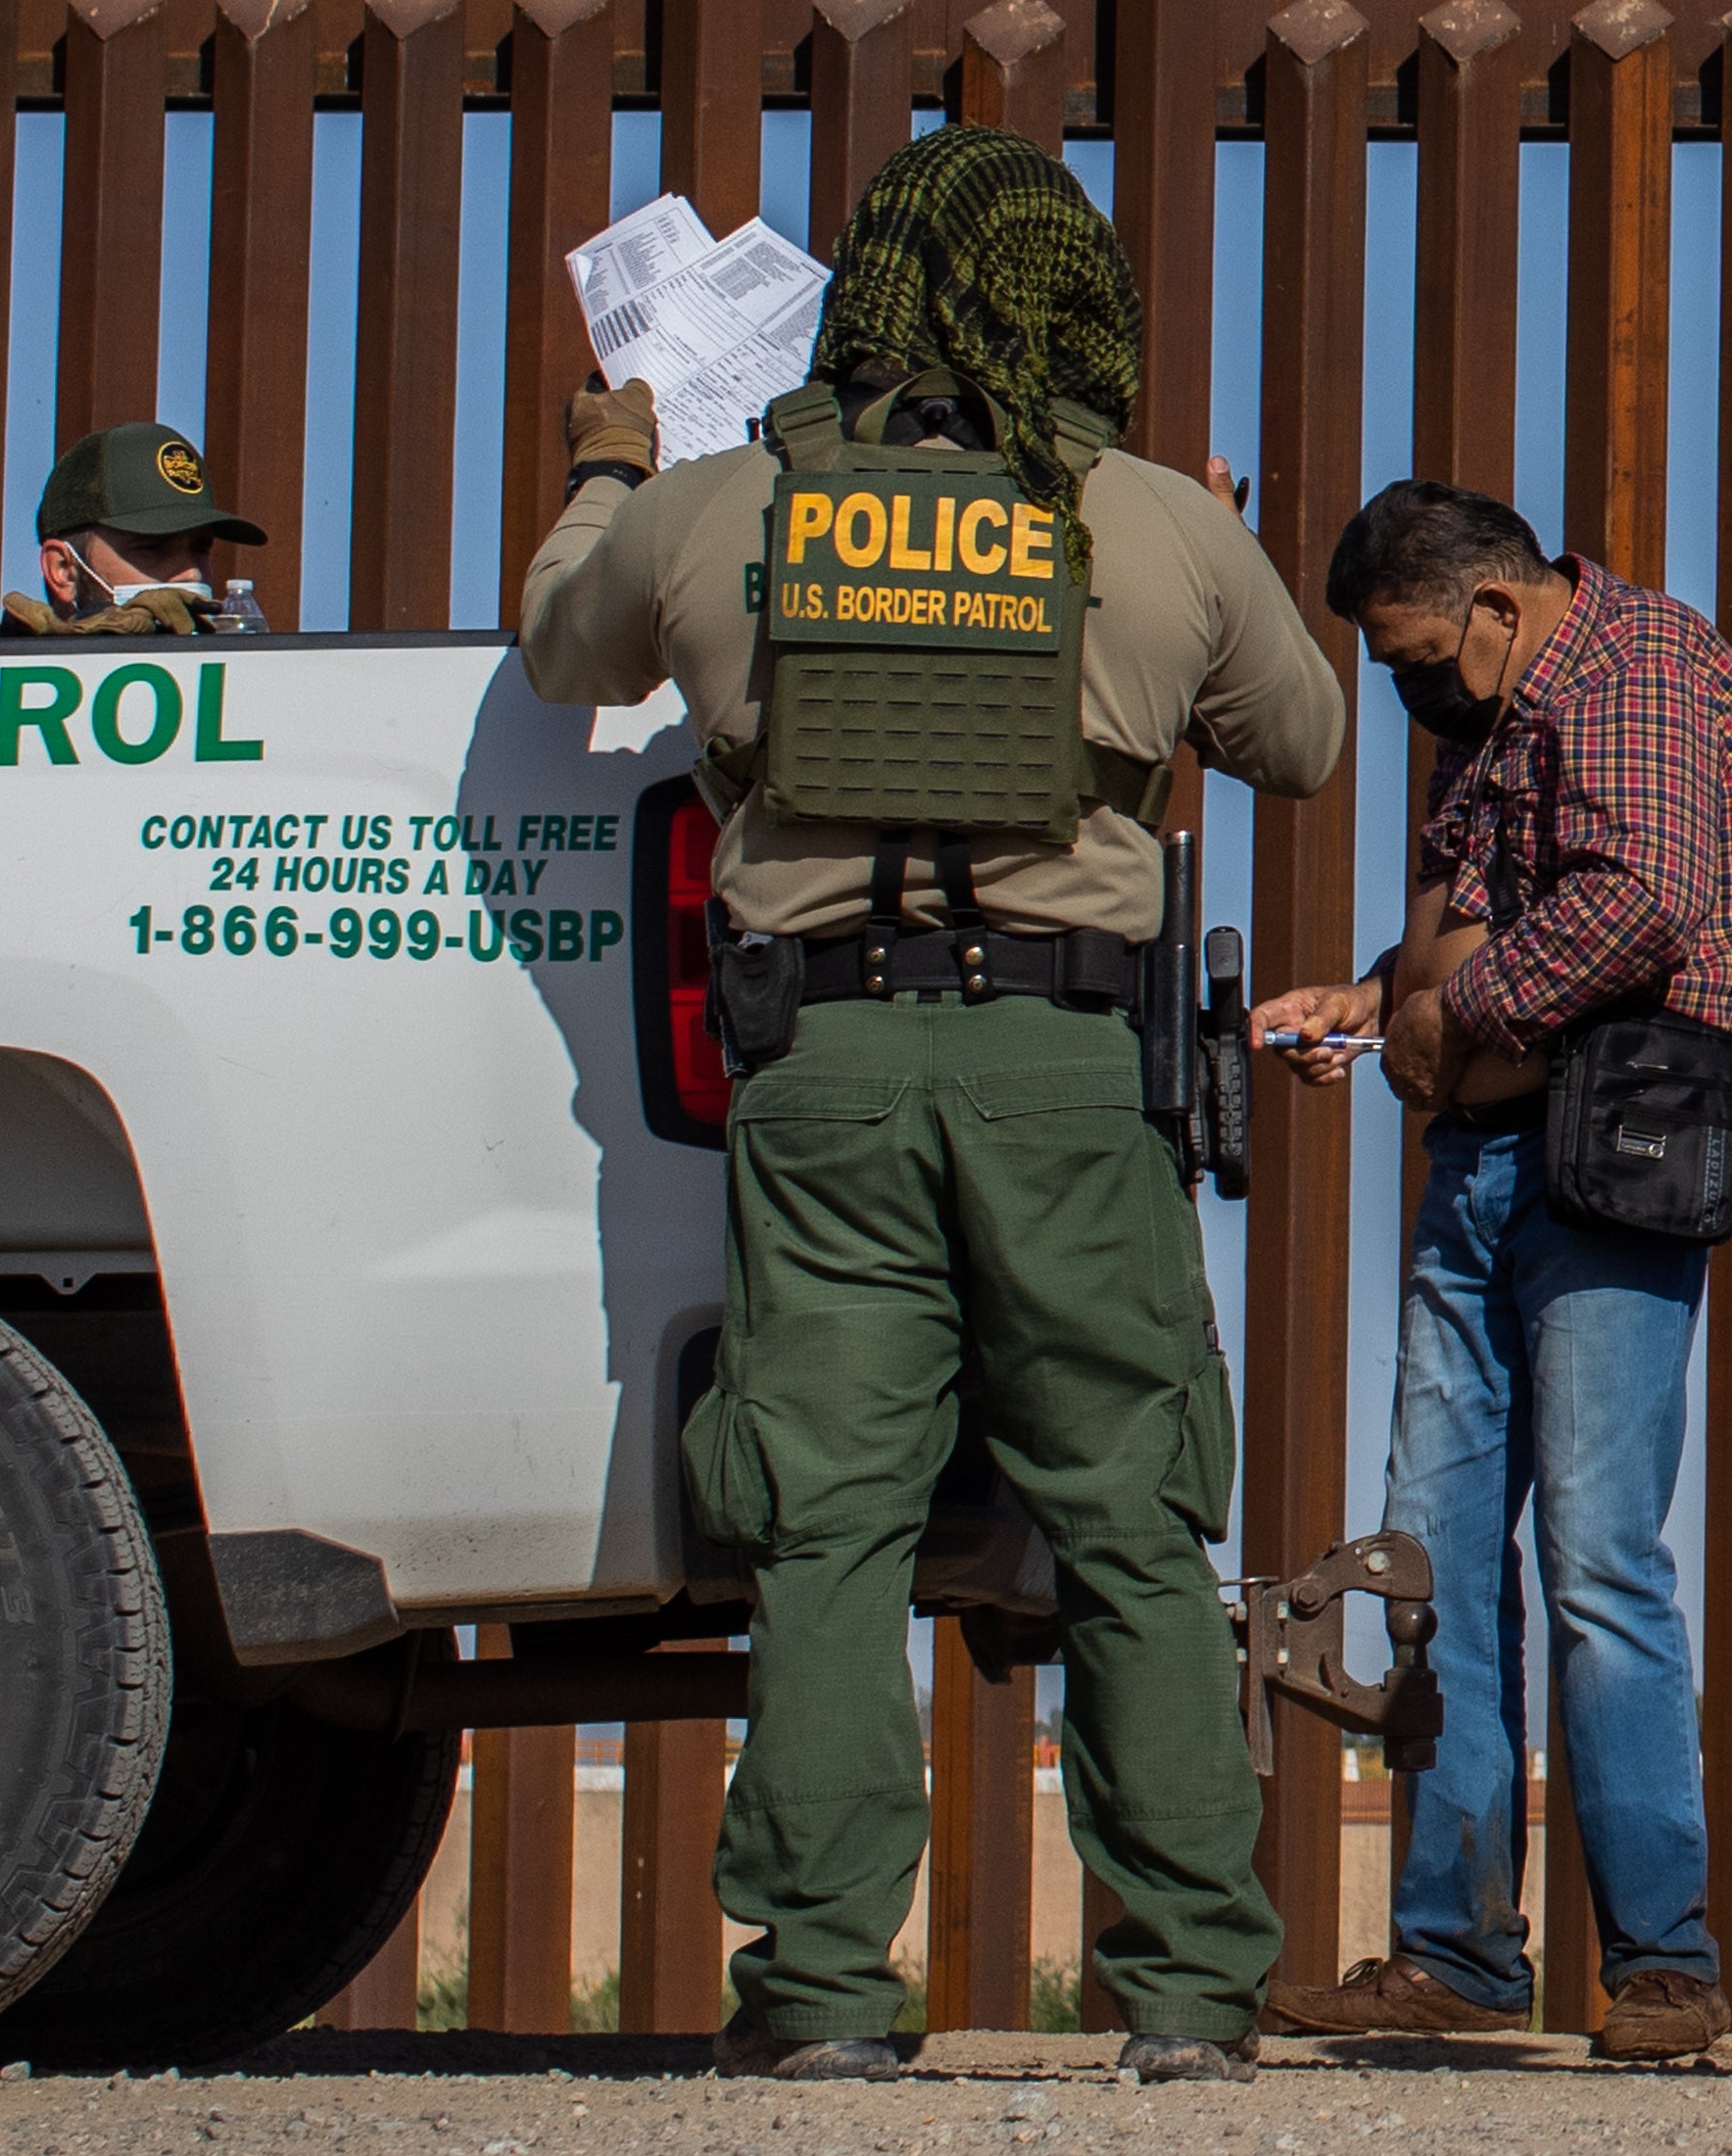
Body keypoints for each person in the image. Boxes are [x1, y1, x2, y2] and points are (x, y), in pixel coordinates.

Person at [516, 122, 1348, 2084]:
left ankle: (815, 1995)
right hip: (1070, 1067)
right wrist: (1202, 536)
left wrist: (613, 454)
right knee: (1135, 1523)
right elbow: (1299, 736)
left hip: (827, 1069)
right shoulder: (1145, 519)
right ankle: (1187, 1995)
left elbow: (565, 635)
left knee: (828, 1531)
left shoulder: (723, 506)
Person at [1245, 479, 1732, 2063]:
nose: (1411, 689)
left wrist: (1450, 1019)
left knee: (1603, 1559)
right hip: (1484, 1158)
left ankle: (1663, 1960)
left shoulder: (1643, 674)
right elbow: (1487, 916)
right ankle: (1454, 1951)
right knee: (1437, 1558)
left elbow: (1640, 901)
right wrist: (1372, 997)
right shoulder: (1499, 714)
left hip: (1602, 1153)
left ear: (1494, 603)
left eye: (1419, 656)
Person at [2, 421, 265, 637]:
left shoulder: (240, 682)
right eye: (152, 548)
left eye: (201, 549)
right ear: (64, 570)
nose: (193, 574)